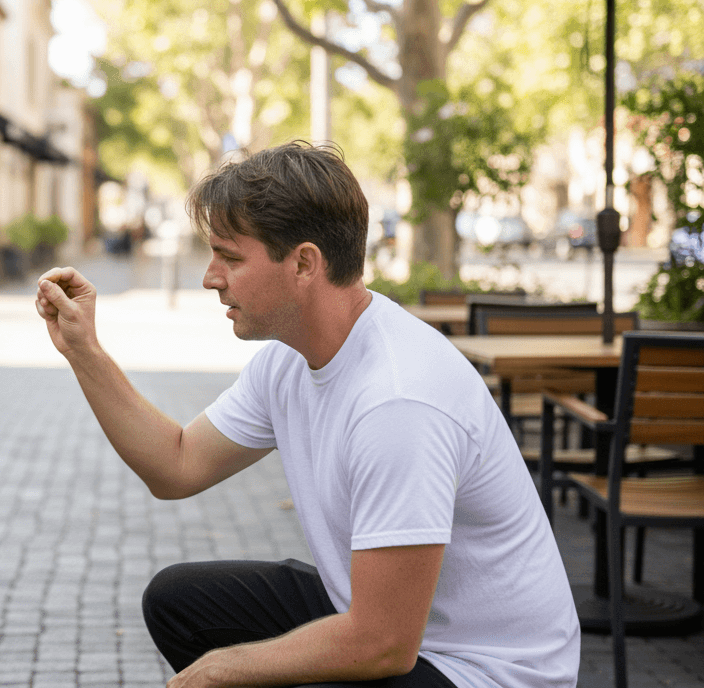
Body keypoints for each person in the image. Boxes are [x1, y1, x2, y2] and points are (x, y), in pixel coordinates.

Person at [34, 141, 579, 688]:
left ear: (303, 263)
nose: (210, 277)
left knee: (246, 667)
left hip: (483, 671)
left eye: (230, 258)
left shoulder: (398, 402)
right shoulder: (287, 363)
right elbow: (176, 466)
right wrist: (84, 350)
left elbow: (384, 644)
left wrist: (225, 669)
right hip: (389, 626)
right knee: (178, 602)